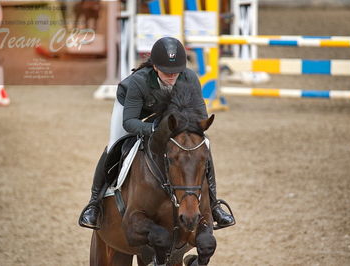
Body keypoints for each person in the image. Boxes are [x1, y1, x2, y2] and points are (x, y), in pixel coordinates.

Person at [79, 37, 235, 230]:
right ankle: (94, 204)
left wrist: (190, 132)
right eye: (166, 72)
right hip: (136, 111)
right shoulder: (138, 82)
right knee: (114, 144)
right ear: (154, 67)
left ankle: (214, 205)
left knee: (204, 146)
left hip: (168, 114)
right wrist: (154, 129)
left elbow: (199, 117)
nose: (171, 76)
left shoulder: (189, 78)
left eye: (175, 71)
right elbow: (129, 122)